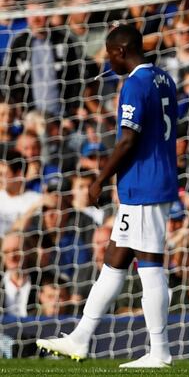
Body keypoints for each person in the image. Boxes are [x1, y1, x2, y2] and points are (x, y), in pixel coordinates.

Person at [37, 25, 178, 368]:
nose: (107, 61)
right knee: (114, 261)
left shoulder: (135, 84)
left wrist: (99, 179)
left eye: (108, 54)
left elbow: (128, 139)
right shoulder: (164, 79)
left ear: (119, 51)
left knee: (150, 268)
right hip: (151, 182)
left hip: (144, 185)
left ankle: (160, 352)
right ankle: (81, 337)